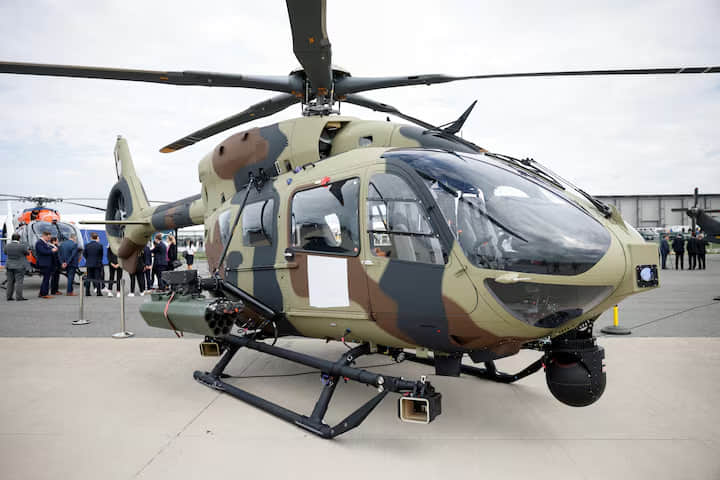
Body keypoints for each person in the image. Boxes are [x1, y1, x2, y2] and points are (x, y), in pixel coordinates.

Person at [5, 233, 29, 301]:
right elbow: (27, 253)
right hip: (19, 266)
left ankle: (9, 296)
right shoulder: (22, 246)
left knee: (10, 282)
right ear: (19, 239)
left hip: (9, 265)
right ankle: (19, 297)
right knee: (19, 282)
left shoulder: (7, 245)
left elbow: (5, 253)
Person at [35, 231, 57, 298]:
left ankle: (42, 293)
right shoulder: (39, 243)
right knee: (46, 279)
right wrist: (52, 250)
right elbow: (43, 251)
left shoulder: (45, 243)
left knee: (46, 279)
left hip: (47, 263)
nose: (49, 239)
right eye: (48, 237)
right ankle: (44, 294)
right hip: (44, 263)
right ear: (44, 236)